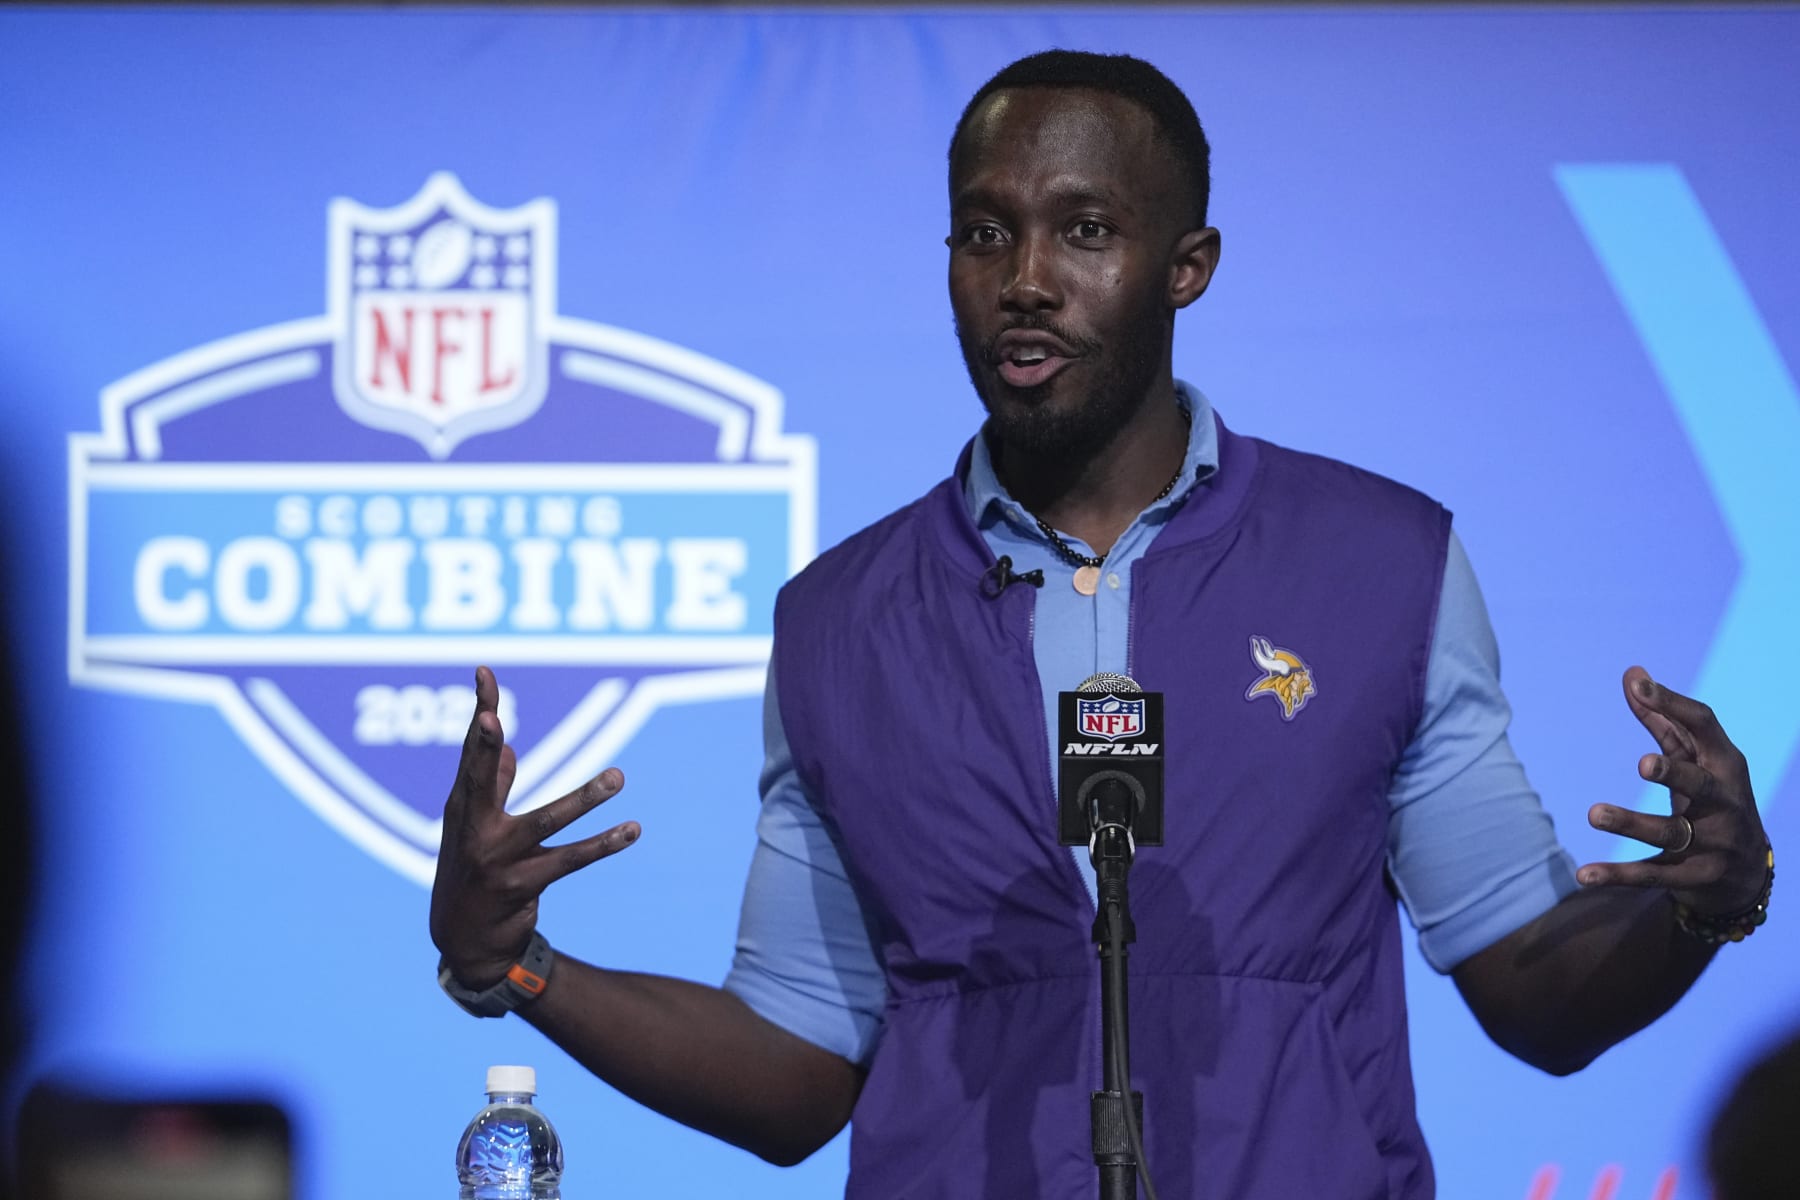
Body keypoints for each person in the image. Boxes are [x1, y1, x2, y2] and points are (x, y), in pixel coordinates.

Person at [429, 51, 1773, 1199]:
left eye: (1083, 230)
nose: (1024, 278)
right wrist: (522, 969)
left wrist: (1692, 915)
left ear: (1186, 267)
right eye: (983, 231)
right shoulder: (838, 620)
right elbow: (796, 1070)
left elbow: (1534, 991)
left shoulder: (1378, 562)